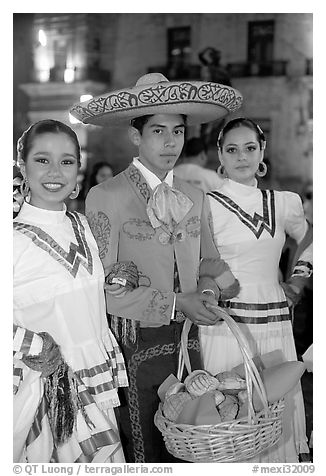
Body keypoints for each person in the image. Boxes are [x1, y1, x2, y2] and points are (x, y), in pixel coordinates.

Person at [70, 72, 243, 462]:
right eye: (158, 131)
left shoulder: (195, 196)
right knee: (146, 444)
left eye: (178, 132)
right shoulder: (106, 195)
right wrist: (179, 302)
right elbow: (105, 286)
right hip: (135, 342)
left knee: (193, 433)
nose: (170, 143)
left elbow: (209, 263)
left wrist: (209, 294)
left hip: (188, 340)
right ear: (136, 135)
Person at [13, 119, 128, 463]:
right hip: (44, 395)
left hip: (93, 388)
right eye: (42, 159)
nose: (55, 171)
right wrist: (33, 344)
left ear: (78, 169)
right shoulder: (12, 239)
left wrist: (108, 281)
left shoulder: (82, 225)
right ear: (22, 166)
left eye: (66, 161)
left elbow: (73, 290)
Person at [200, 117, 312, 463]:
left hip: (275, 314)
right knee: (229, 404)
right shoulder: (207, 203)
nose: (242, 157)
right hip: (226, 321)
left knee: (275, 409)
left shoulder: (285, 202)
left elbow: (310, 237)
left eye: (250, 148)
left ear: (262, 150)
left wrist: (298, 278)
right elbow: (195, 259)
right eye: (232, 149)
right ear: (220, 154)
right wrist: (214, 280)